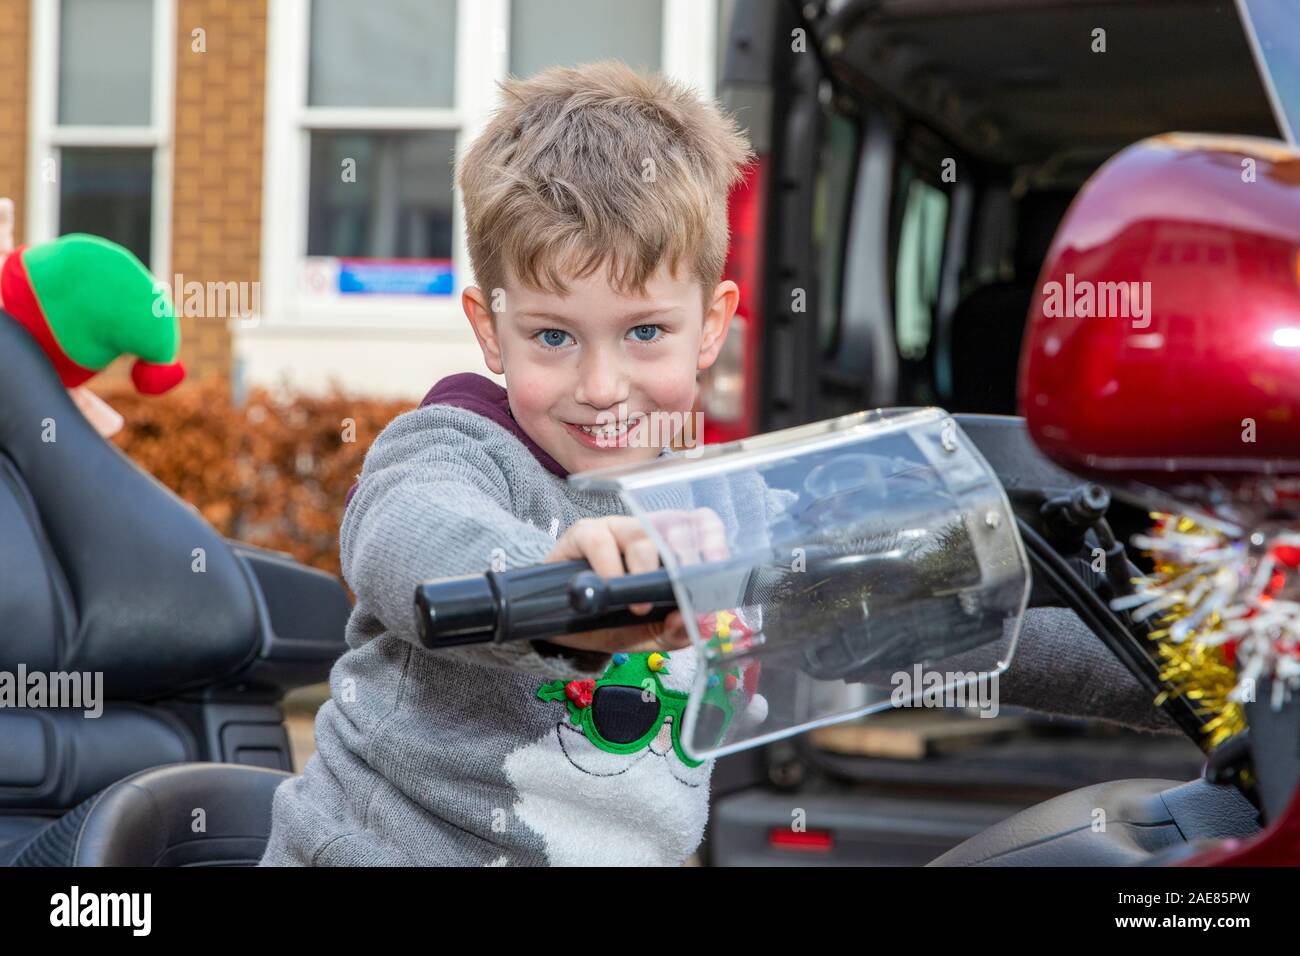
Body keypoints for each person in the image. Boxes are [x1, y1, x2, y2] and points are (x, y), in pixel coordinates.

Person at [259, 62, 1176, 868]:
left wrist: (1204, 667)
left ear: (713, 324)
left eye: (645, 332)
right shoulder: (454, 448)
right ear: (487, 328)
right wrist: (551, 582)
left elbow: (965, 619)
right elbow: (410, 535)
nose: (602, 384)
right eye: (552, 336)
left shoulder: (736, 514)